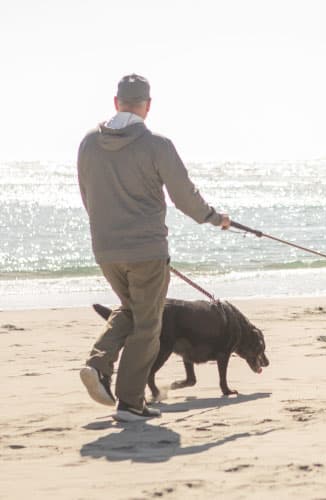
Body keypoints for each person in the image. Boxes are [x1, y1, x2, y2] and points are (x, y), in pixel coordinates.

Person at [77, 74, 231, 422]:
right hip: (145, 250)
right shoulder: (157, 145)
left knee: (133, 310)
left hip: (106, 249)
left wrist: (108, 233)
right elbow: (184, 197)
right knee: (148, 324)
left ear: (116, 102)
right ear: (147, 106)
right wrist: (214, 217)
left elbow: (88, 196)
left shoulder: (88, 143)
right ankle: (129, 402)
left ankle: (99, 365)